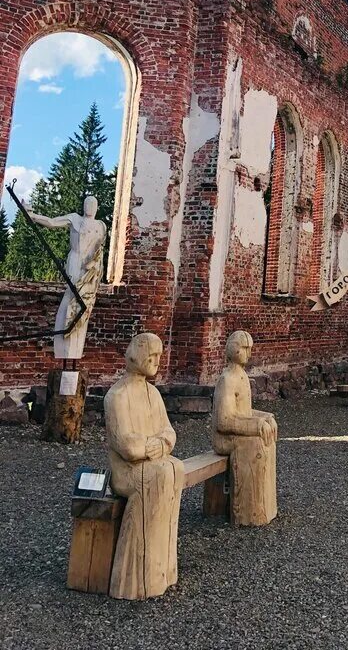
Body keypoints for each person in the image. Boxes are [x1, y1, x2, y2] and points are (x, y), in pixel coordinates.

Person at [104, 332, 184, 600]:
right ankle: (137, 575)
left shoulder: (153, 394)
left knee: (176, 469)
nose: (156, 361)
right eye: (151, 355)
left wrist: (158, 445)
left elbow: (169, 433)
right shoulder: (117, 396)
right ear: (136, 355)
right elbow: (127, 446)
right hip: (126, 473)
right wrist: (154, 445)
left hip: (151, 462)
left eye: (159, 356)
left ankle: (164, 567)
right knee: (161, 474)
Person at [23, 195, 106, 360]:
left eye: (93, 204)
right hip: (76, 263)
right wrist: (33, 216)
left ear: (97, 207)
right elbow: (53, 222)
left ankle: (75, 347)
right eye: (87, 203)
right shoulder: (75, 219)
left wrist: (96, 271)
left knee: (84, 305)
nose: (89, 206)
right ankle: (64, 343)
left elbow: (100, 252)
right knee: (71, 298)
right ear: (83, 206)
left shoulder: (101, 226)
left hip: (91, 271)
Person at [212, 331, 278, 526]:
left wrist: (266, 417)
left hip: (235, 432)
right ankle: (247, 511)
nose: (249, 353)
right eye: (245, 349)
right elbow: (224, 421)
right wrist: (257, 425)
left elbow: (245, 412)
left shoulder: (241, 376)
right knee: (255, 444)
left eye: (250, 349)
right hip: (224, 439)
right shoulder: (227, 379)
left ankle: (266, 506)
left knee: (268, 437)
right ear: (234, 349)